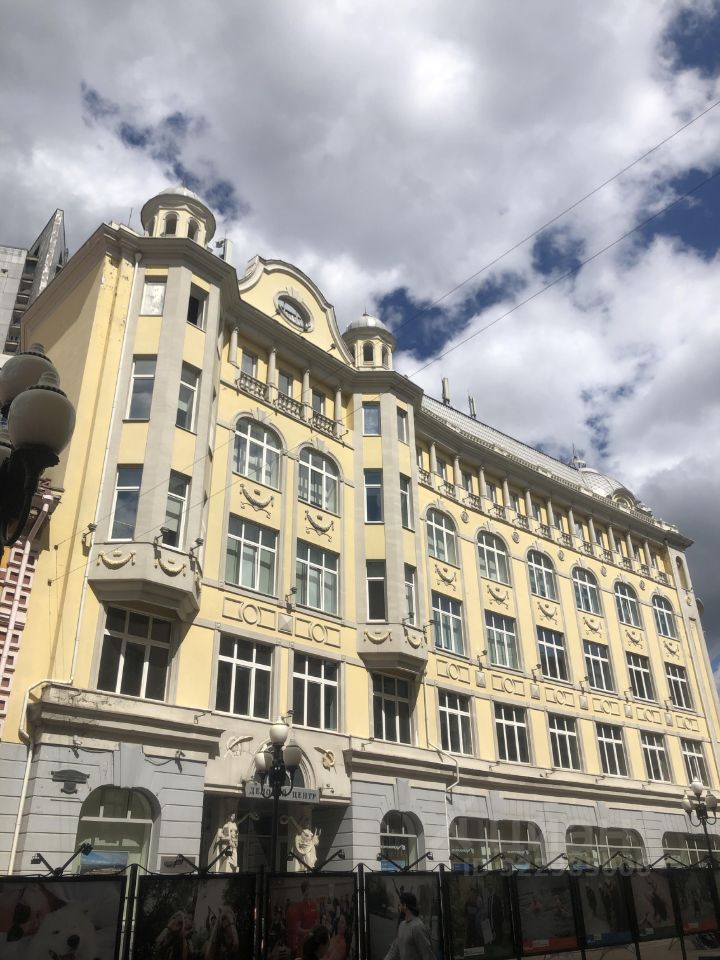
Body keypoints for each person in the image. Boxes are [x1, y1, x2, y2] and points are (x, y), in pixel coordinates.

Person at [383, 892, 435, 960]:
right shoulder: (402, 925)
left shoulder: (418, 927)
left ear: (405, 905)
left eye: (400, 904)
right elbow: (394, 948)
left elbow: (427, 955)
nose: (398, 906)